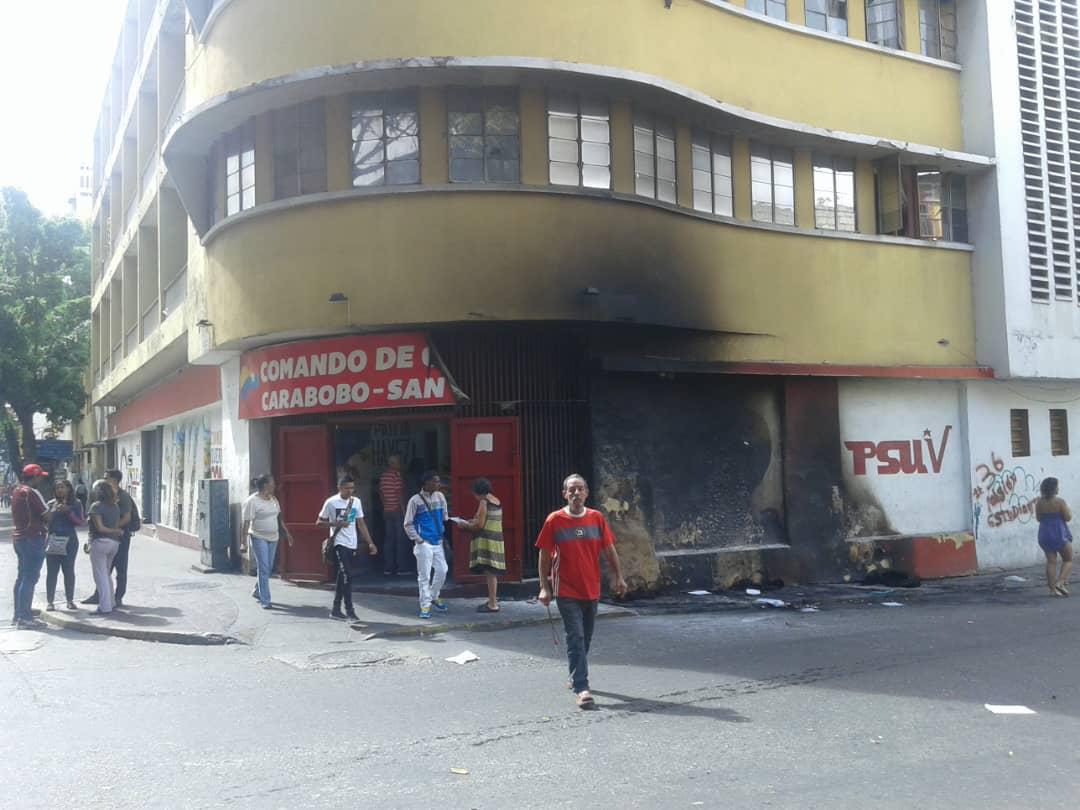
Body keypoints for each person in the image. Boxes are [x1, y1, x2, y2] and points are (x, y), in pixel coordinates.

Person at [537, 473, 628, 710]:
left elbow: (609, 550)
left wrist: (618, 576)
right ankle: (582, 688)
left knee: (585, 637)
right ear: (564, 494)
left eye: (580, 489)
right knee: (575, 636)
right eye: (571, 490)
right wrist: (544, 588)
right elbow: (544, 556)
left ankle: (575, 674)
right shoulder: (554, 520)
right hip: (565, 589)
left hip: (591, 588)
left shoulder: (596, 519)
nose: (576, 493)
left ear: (587, 493)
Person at [317, 476, 377, 620]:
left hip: (352, 543)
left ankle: (335, 609)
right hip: (339, 543)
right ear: (340, 487)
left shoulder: (356, 502)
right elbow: (319, 522)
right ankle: (350, 610)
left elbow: (361, 524)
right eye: (347, 488)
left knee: (343, 576)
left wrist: (370, 543)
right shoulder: (331, 502)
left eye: (352, 488)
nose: (350, 491)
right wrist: (336, 525)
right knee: (347, 575)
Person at [83, 470, 139, 608]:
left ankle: (117, 597)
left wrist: (111, 528)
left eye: (106, 477)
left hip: (120, 536)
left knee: (119, 567)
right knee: (105, 570)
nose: (103, 479)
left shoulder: (122, 496)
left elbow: (126, 518)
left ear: (114, 479)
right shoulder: (104, 496)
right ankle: (101, 596)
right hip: (111, 535)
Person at [241, 473, 294, 609]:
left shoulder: (273, 499)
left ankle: (257, 590)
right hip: (258, 537)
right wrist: (243, 542)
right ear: (265, 485)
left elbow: (279, 518)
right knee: (264, 568)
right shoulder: (252, 501)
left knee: (268, 568)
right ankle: (265, 600)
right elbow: (246, 523)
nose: (275, 485)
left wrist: (287, 533)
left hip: (273, 537)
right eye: (272, 483)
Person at [404, 471, 450, 619]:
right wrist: (419, 540)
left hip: (438, 541)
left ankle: (433, 595)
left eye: (438, 481)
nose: (438, 484)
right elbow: (407, 523)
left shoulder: (440, 497)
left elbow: (445, 517)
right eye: (435, 481)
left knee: (443, 570)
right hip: (424, 543)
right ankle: (425, 605)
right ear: (426, 483)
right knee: (424, 576)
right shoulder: (415, 500)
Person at [10, 464, 51, 629]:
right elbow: (46, 515)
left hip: (19, 538)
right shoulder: (32, 492)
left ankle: (19, 613)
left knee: (22, 577)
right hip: (33, 538)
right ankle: (25, 618)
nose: (41, 479)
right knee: (30, 578)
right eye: (40, 476)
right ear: (35, 476)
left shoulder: (17, 491)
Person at [457, 477, 505, 613]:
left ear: (478, 492)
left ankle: (493, 604)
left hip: (487, 541)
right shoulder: (496, 500)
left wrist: (465, 525)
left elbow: (479, 525)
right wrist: (473, 520)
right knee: (492, 573)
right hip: (496, 539)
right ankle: (492, 600)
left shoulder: (484, 502)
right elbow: (486, 519)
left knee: (490, 573)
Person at [45, 479, 84, 611]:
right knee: (52, 572)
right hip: (53, 540)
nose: (60, 490)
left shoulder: (76, 503)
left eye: (62, 487)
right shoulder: (50, 504)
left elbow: (80, 522)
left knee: (68, 571)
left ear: (68, 489)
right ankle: (50, 602)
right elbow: (45, 522)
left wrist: (69, 511)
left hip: (70, 541)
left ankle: (70, 600)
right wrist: (53, 510)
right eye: (57, 488)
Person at [87, 479, 124, 614]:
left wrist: (113, 530)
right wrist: (116, 531)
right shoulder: (115, 506)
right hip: (114, 544)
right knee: (106, 573)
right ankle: (111, 602)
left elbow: (100, 528)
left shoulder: (96, 506)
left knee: (100, 575)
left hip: (100, 542)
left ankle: (104, 606)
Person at [1036, 477, 1073, 597]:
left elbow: (1039, 518)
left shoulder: (1039, 503)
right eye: (1057, 486)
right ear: (1054, 489)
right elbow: (1067, 517)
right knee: (1068, 559)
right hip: (1059, 533)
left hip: (1045, 534)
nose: (1058, 488)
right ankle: (1060, 582)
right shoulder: (1060, 502)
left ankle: (1052, 590)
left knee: (1051, 562)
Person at [378, 454, 410, 576]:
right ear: (393, 464)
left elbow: (381, 493)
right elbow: (400, 494)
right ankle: (402, 568)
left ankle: (388, 568)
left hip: (387, 511)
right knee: (400, 540)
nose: (400, 465)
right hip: (397, 511)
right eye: (398, 463)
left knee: (389, 540)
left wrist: (385, 506)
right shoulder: (397, 476)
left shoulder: (383, 476)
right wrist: (404, 510)